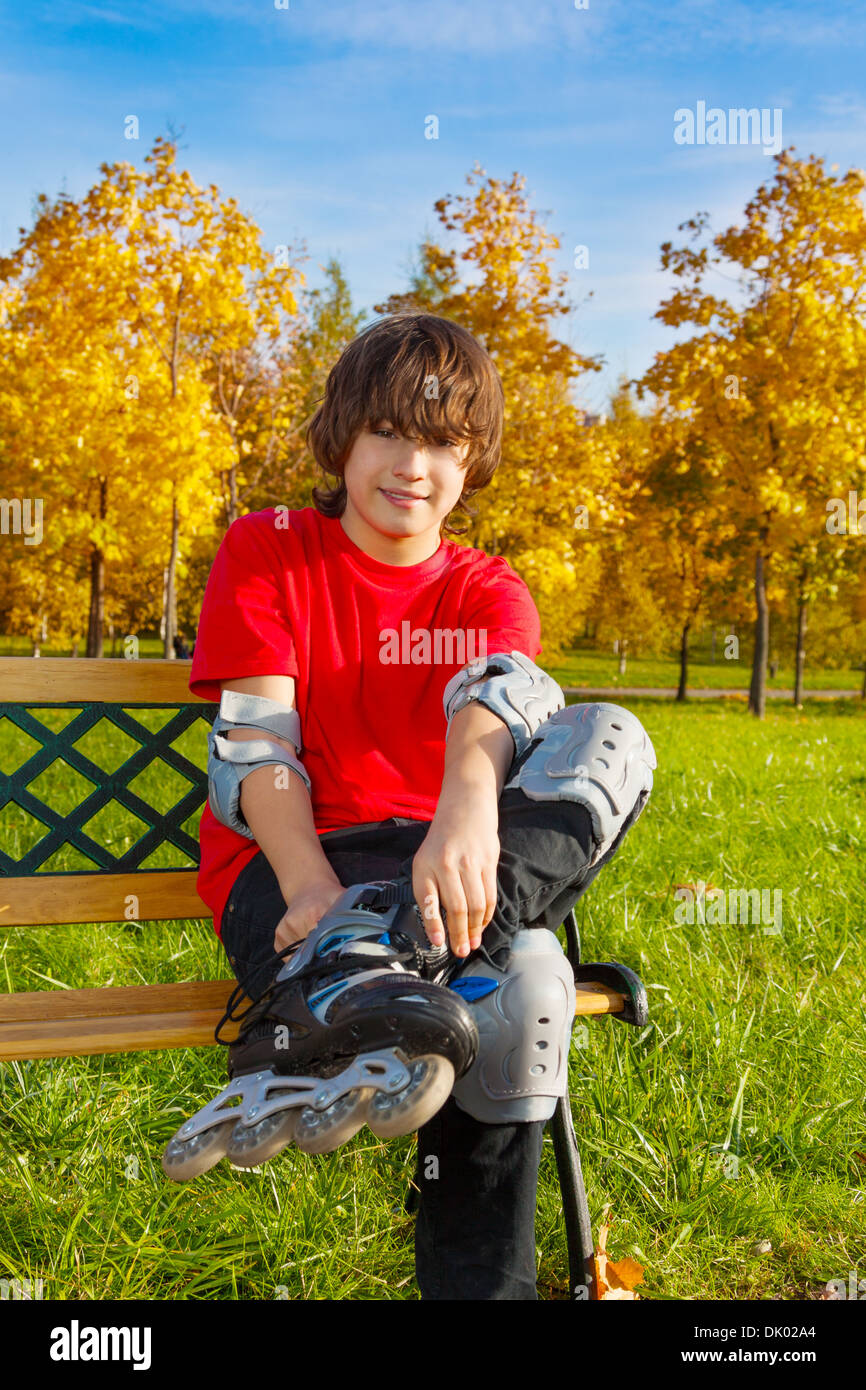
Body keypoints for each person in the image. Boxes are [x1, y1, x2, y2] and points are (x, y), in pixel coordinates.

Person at [181, 312, 655, 1300]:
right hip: (292, 869)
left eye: (443, 441)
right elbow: (253, 749)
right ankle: (353, 964)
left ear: (472, 458)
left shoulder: (488, 587)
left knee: (606, 746)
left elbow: (488, 721)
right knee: (515, 976)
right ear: (342, 436)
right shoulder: (268, 550)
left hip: (445, 865)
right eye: (389, 432)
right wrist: (312, 889)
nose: (413, 464)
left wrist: (468, 808)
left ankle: (359, 986)